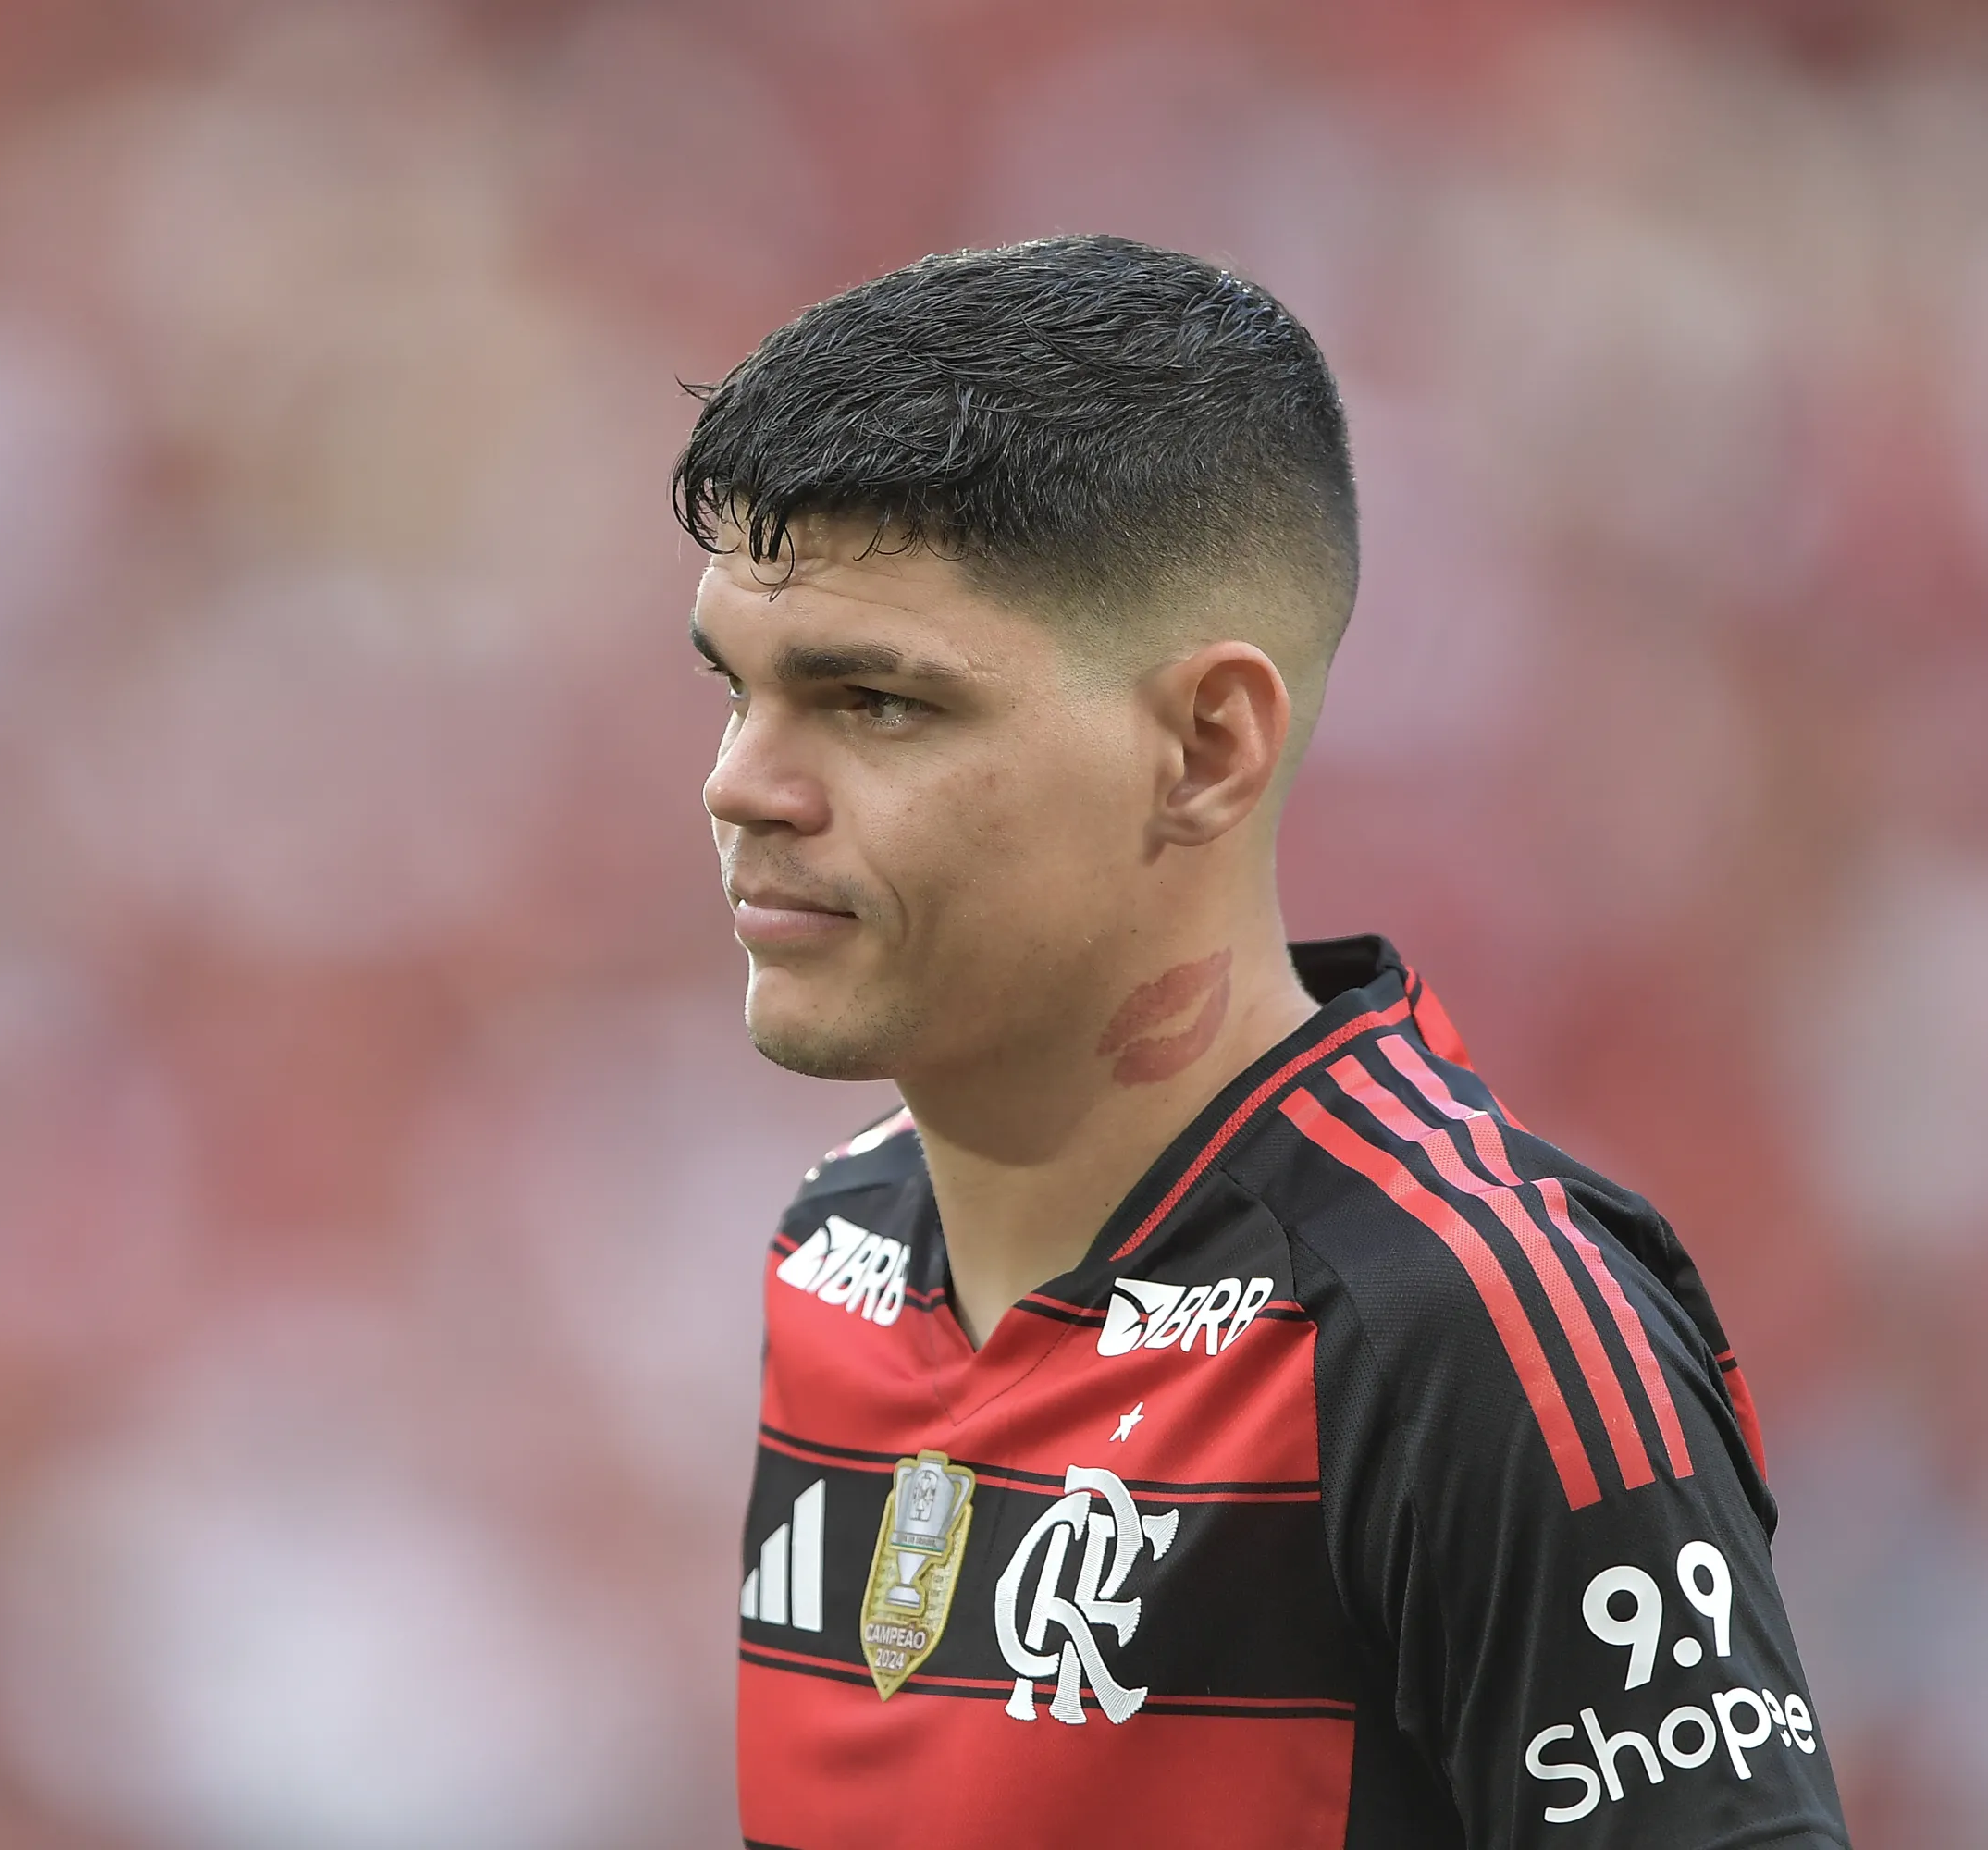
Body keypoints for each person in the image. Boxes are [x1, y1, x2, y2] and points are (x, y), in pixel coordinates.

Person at [682, 236, 1847, 1849]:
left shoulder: (1469, 1327)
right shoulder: (836, 1250)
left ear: (1206, 749)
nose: (742, 783)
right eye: (734, 688)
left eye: (876, 701)